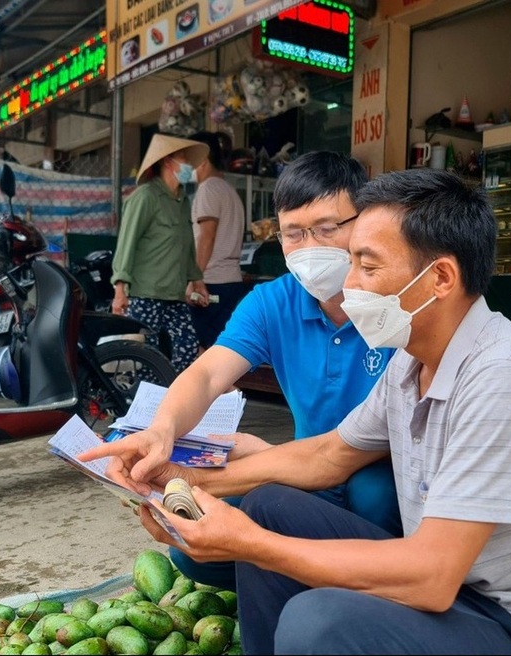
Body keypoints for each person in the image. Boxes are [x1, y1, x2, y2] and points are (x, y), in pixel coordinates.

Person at [82, 168, 511, 655]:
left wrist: (250, 543)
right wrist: (183, 477)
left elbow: (431, 576)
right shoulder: (411, 362)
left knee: (317, 621)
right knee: (269, 505)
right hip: (464, 591)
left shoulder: (505, 375)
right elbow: (329, 455)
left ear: (441, 279)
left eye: (367, 264)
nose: (350, 283)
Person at [87, 151, 401, 591]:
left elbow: (350, 453)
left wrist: (217, 470)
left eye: (327, 229)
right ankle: (321, 575)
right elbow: (208, 374)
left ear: (363, 221)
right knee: (192, 552)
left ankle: (372, 588)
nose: (309, 248)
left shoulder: (397, 300)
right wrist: (164, 429)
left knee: (375, 492)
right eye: (293, 234)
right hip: (305, 468)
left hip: (379, 470)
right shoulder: (272, 302)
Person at [110, 134, 209, 373]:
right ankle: (145, 404)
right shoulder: (145, 197)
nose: (188, 166)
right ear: (167, 161)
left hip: (174, 293)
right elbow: (127, 242)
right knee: (146, 355)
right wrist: (120, 289)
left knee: (187, 347)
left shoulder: (183, 201)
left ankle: (169, 394)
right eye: (183, 159)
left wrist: (197, 281)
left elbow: (187, 247)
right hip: (146, 292)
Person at [186, 131, 247, 351]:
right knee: (221, 348)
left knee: (203, 351)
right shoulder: (229, 191)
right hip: (230, 281)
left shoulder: (208, 189)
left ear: (201, 159)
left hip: (210, 283)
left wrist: (195, 278)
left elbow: (207, 236)